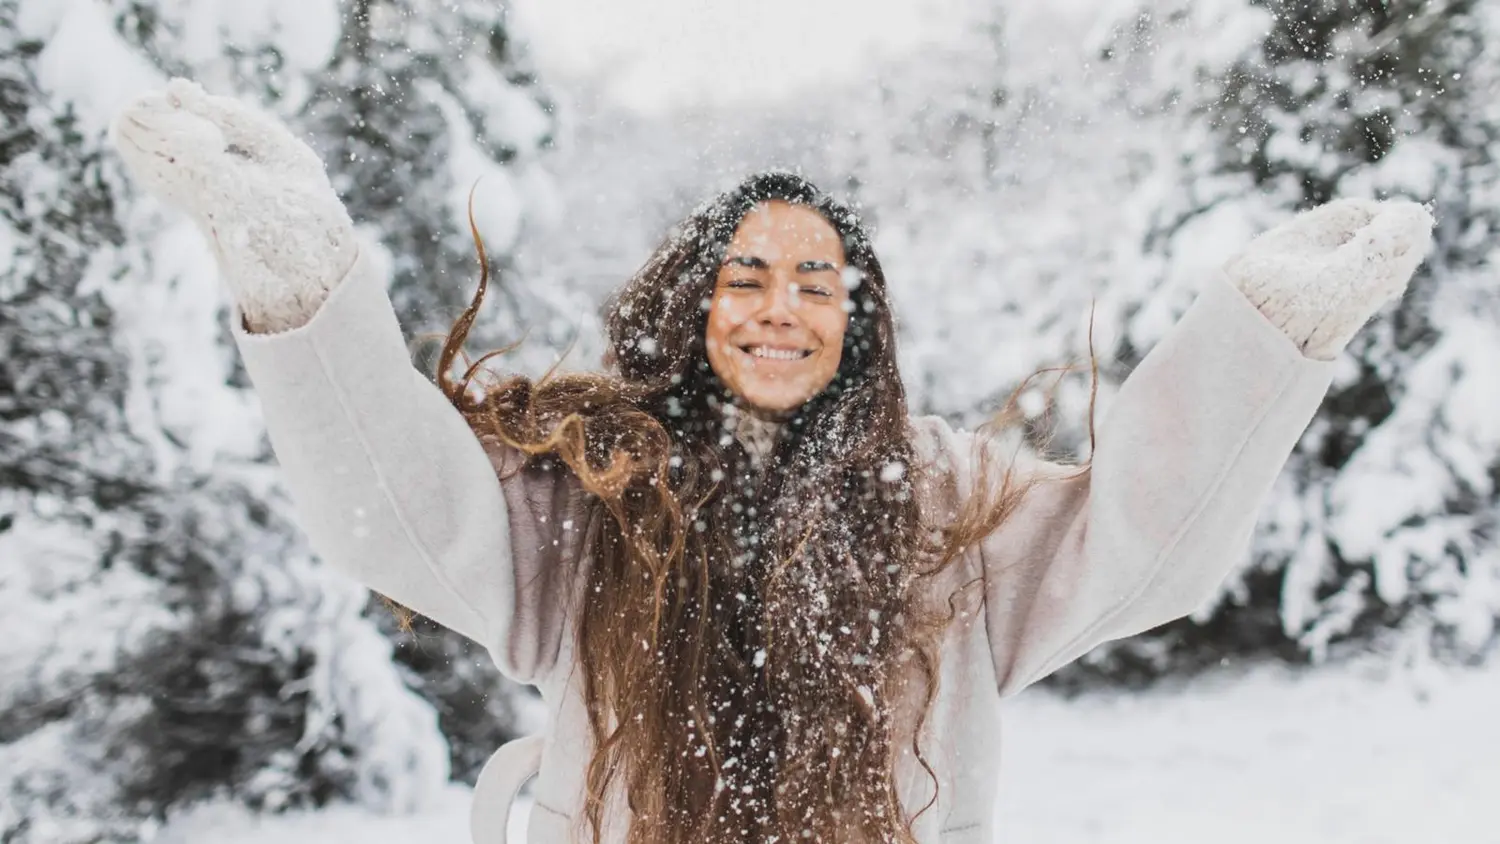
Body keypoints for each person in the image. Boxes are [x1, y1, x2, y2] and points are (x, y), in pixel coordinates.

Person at [111, 79, 1434, 844]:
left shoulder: (950, 498)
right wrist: (298, 273)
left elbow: (1141, 546)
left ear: (860, 319)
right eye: (746, 275)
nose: (778, 306)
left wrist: (1267, 331)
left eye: (818, 279)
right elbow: (389, 511)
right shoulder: (597, 491)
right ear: (696, 303)